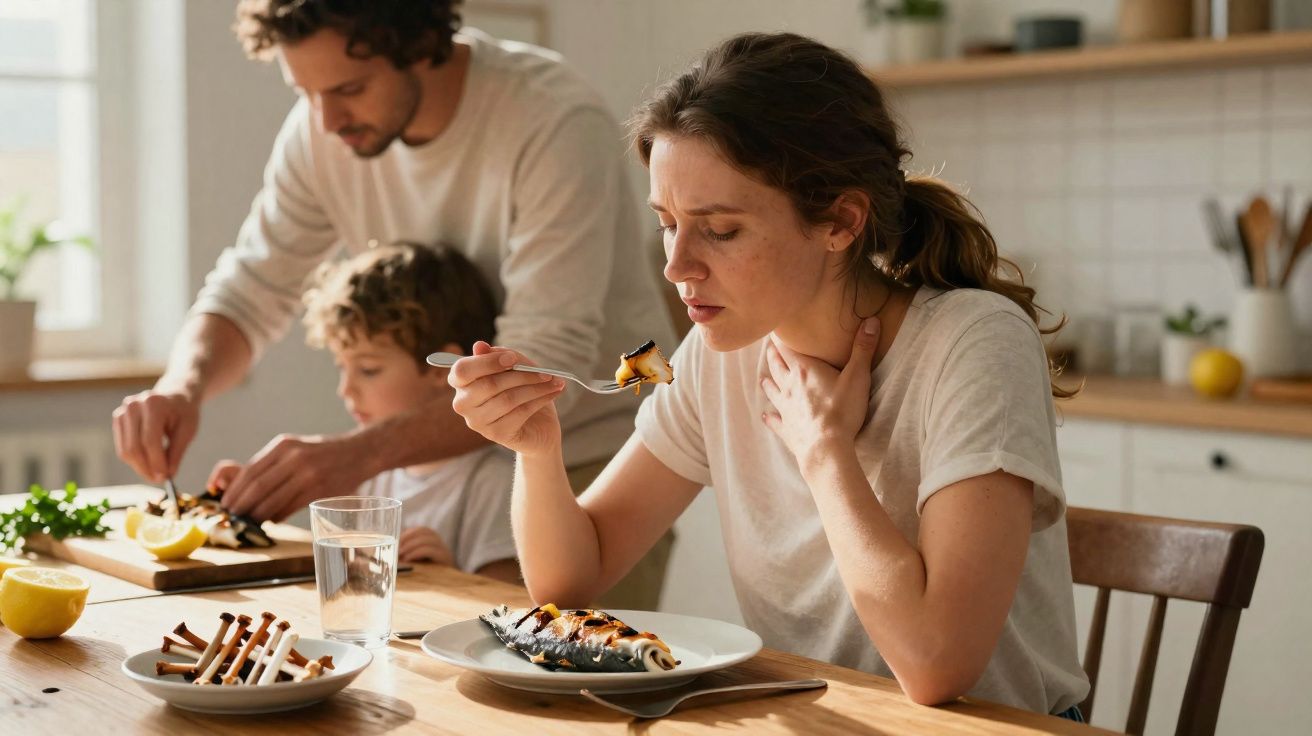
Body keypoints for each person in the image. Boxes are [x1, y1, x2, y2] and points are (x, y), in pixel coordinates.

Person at [446, 32, 1091, 718]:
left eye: (720, 230)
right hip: (823, 719)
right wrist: (537, 449)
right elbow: (569, 581)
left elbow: (939, 666)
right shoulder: (717, 352)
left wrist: (824, 452)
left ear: (841, 221)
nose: (677, 265)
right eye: (667, 223)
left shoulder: (974, 343)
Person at [111, 0, 675, 608]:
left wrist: (353, 455)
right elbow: (251, 286)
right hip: (433, 467)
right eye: (306, 91)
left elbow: (531, 373)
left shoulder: (553, 118)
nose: (326, 120)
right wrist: (180, 387)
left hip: (581, 471)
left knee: (578, 691)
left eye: (349, 87)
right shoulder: (320, 129)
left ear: (418, 44)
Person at [207, 243, 519, 582]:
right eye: (342, 367)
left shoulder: (493, 482)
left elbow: (511, 603)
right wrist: (247, 493)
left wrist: (447, 572)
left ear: (439, 369)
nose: (345, 390)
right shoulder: (372, 477)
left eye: (368, 369)